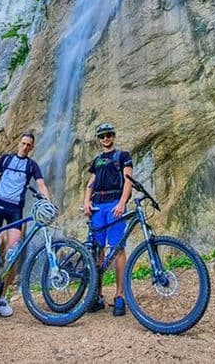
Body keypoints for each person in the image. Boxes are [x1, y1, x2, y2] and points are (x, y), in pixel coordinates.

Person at [0, 131, 50, 317]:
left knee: (14, 252)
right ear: (18, 143)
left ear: (32, 148)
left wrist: (47, 202)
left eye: (29, 145)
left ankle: (1, 298)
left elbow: (41, 184)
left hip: (15, 210)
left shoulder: (32, 165)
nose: (25, 146)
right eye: (23, 143)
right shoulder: (5, 159)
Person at [83, 122, 133, 317]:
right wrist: (86, 201)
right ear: (99, 139)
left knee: (118, 249)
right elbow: (90, 184)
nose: (106, 138)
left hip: (114, 204)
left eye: (109, 135)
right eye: (102, 136)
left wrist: (122, 202)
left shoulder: (123, 156)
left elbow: (128, 180)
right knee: (98, 250)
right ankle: (97, 295)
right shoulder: (97, 160)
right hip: (98, 206)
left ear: (113, 136)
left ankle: (119, 296)